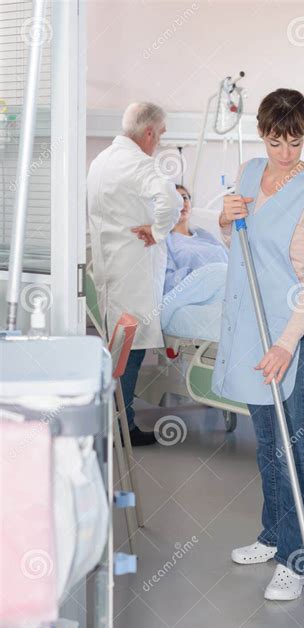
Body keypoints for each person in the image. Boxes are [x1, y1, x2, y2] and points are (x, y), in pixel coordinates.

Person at [212, 89, 304, 601]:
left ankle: (296, 556)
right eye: (276, 141)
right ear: (262, 133)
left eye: (296, 141)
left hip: (292, 339)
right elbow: (235, 244)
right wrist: (224, 219)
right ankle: (273, 534)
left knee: (292, 449)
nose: (286, 152)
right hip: (250, 332)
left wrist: (288, 343)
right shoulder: (246, 173)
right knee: (266, 444)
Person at [87, 102, 183, 446]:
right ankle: (122, 428)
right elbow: (172, 202)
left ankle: (114, 422)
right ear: (148, 132)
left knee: (119, 347)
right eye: (160, 135)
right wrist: (158, 231)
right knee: (130, 349)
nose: (159, 142)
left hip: (110, 268)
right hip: (133, 269)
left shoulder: (101, 161)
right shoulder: (139, 164)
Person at [164, 185, 228, 294]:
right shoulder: (167, 242)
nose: (181, 203)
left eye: (184, 198)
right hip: (202, 295)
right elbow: (167, 282)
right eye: (175, 199)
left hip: (230, 285)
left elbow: (231, 260)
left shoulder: (204, 234)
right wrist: (197, 276)